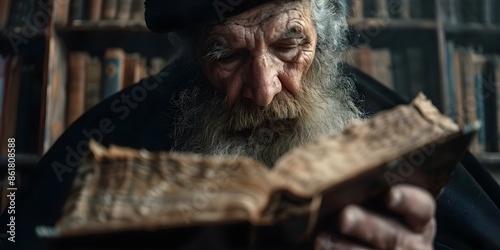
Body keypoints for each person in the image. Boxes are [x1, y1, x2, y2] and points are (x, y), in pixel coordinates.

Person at [1, 0, 499, 249]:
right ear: (193, 59)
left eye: (289, 46)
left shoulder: (391, 122)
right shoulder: (110, 137)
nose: (264, 91)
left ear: (322, 35)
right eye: (228, 53)